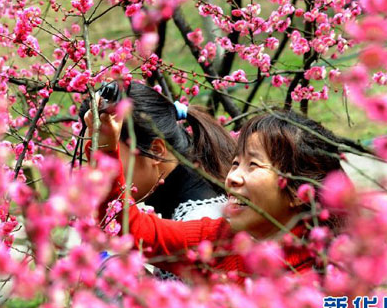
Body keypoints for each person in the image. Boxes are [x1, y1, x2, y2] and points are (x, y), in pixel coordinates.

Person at [86, 108, 356, 283]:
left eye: (253, 165)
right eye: (236, 163)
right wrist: (106, 147)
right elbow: (130, 228)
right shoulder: (218, 240)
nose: (233, 177)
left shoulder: (330, 275)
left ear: (299, 191)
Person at [80, 82, 236, 222]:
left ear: (156, 150)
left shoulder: (199, 219)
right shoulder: (188, 204)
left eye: (107, 156)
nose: (95, 173)